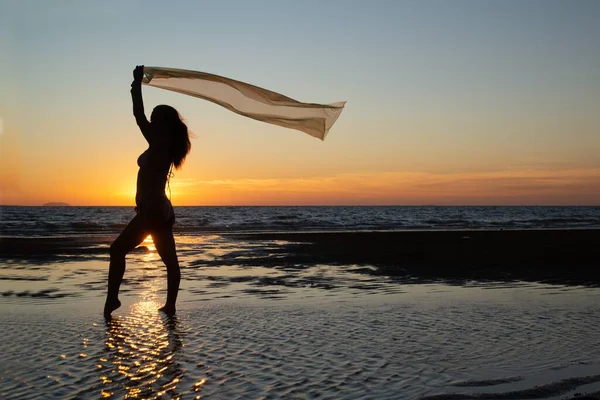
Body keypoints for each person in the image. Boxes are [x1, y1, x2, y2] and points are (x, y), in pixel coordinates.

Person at [104, 65, 191, 318]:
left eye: (155, 116)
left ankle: (112, 300)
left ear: (163, 123)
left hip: (153, 209)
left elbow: (138, 114)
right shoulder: (163, 144)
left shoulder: (160, 142)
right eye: (153, 116)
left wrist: (136, 85)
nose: (151, 120)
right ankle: (171, 305)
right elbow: (143, 116)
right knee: (170, 261)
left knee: (117, 250)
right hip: (159, 208)